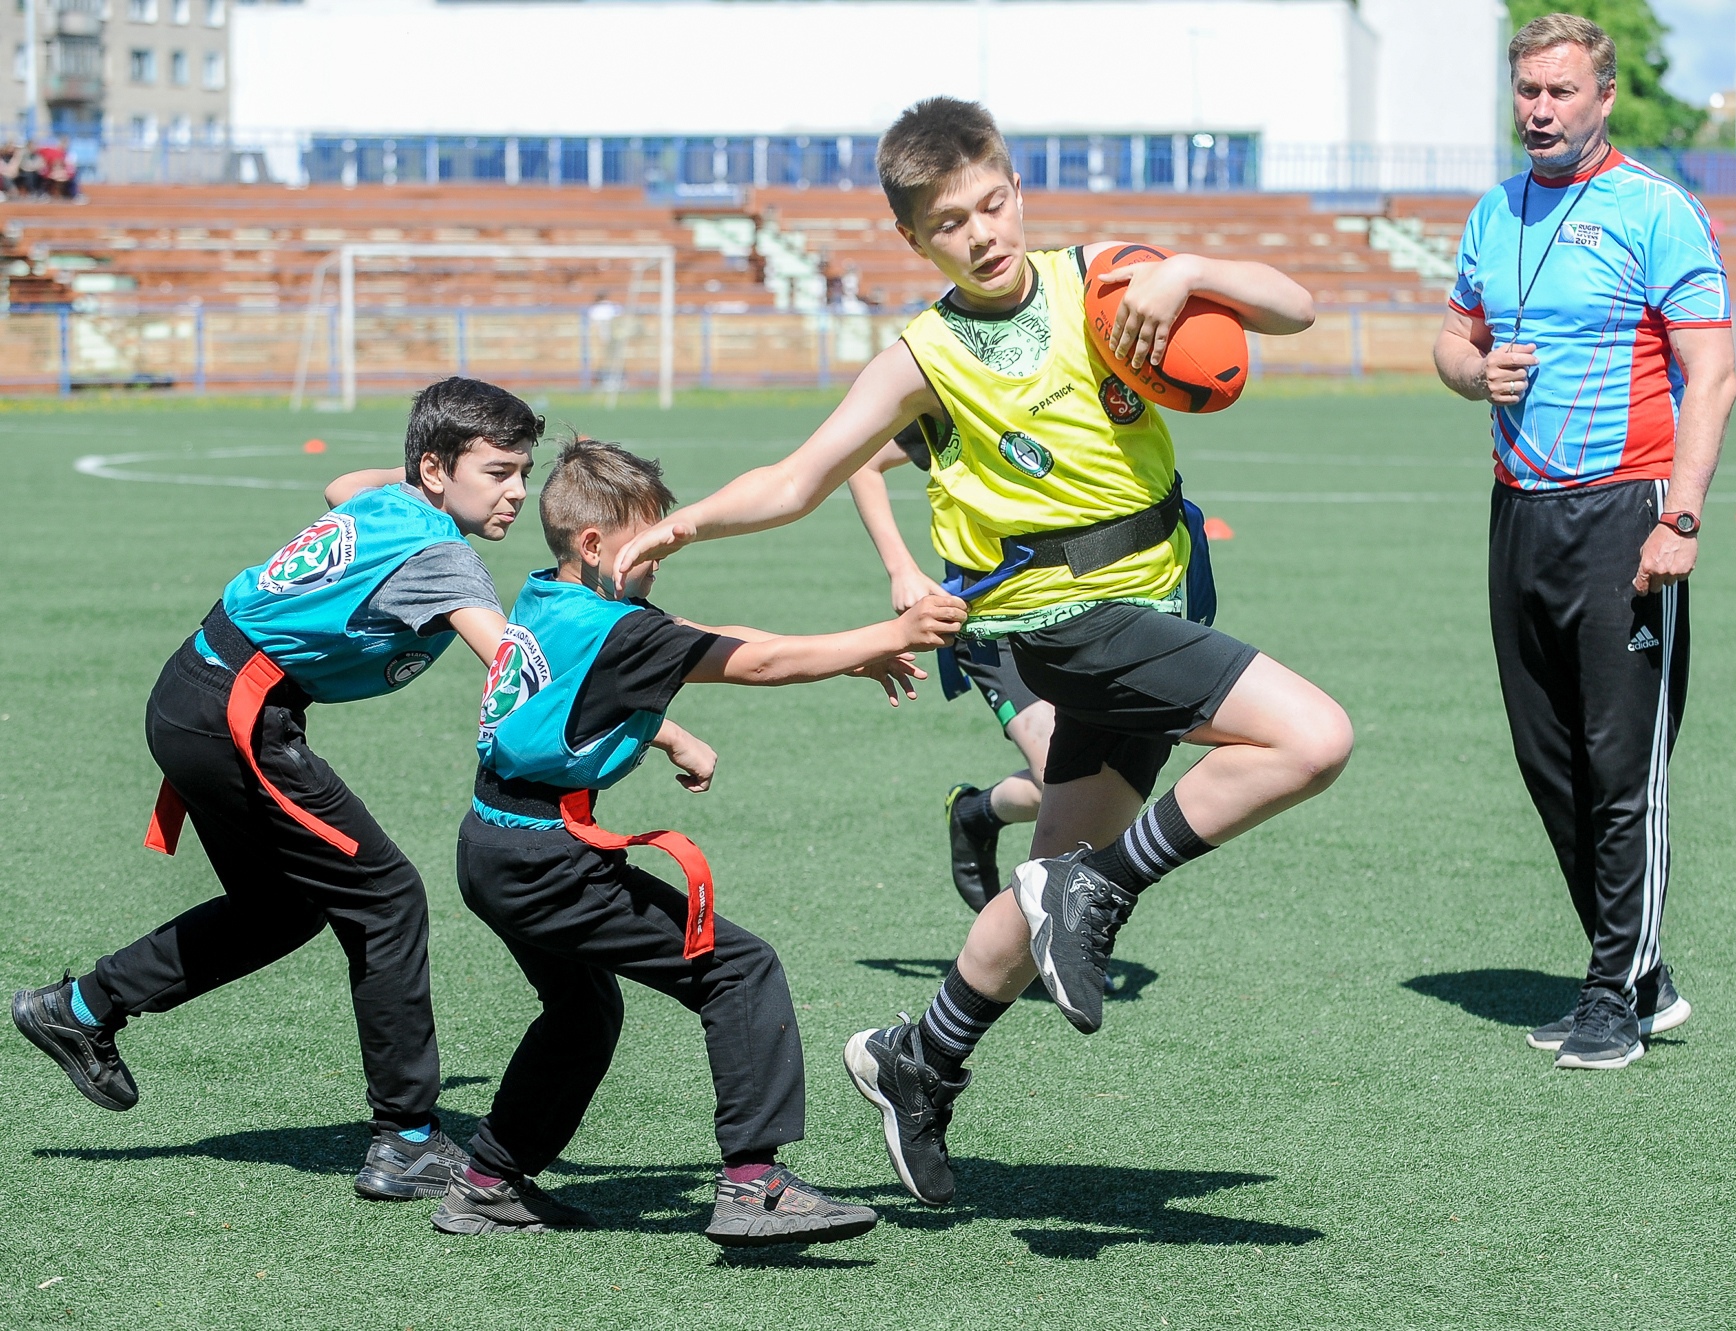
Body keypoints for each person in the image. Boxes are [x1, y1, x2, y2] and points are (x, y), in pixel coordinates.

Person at [612, 97, 1351, 1207]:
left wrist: (1182, 267)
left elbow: (1292, 308)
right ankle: (1100, 888)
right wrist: (679, 523)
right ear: (915, 241)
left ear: (1018, 188)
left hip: (1152, 598)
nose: (983, 232)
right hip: (1058, 623)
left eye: (993, 203)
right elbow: (801, 475)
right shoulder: (922, 354)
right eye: (951, 222)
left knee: (1044, 873)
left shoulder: (1099, 278)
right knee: (1312, 736)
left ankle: (920, 1056)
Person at [10, 377, 542, 1200]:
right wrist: (657, 722)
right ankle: (405, 1139)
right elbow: (512, 671)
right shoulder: (442, 558)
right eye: (499, 471)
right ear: (437, 469)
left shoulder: (395, 501)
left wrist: (424, 470)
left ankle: (79, 1008)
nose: (516, 492)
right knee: (387, 895)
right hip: (237, 714)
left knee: (282, 904)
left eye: (523, 472)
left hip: (195, 688)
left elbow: (344, 486)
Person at [441, 437, 964, 1243]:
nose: (659, 558)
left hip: (494, 842)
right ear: (594, 544)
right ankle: (753, 1183)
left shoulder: (553, 595)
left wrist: (840, 663)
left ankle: (486, 1183)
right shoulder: (619, 630)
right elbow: (755, 662)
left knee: (582, 1013)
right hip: (544, 858)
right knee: (737, 968)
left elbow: (697, 635)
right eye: (650, 543)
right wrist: (882, 634)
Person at [1432, 13, 1736, 1070]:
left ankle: (1614, 995)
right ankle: (1638, 974)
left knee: (1621, 764)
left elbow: (1714, 372)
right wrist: (1475, 373)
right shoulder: (1493, 210)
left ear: (1602, 97)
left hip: (1625, 509)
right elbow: (1449, 337)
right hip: (1518, 509)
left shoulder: (1656, 211)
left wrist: (1680, 516)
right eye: (1527, 93)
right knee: (1548, 760)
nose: (1540, 112)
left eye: (1560, 92)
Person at [847, 415, 1057, 911]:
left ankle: (978, 812)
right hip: (993, 622)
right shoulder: (959, 395)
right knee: (1060, 777)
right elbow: (865, 461)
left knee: (1105, 784)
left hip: (1084, 610)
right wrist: (901, 568)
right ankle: (1056, 934)